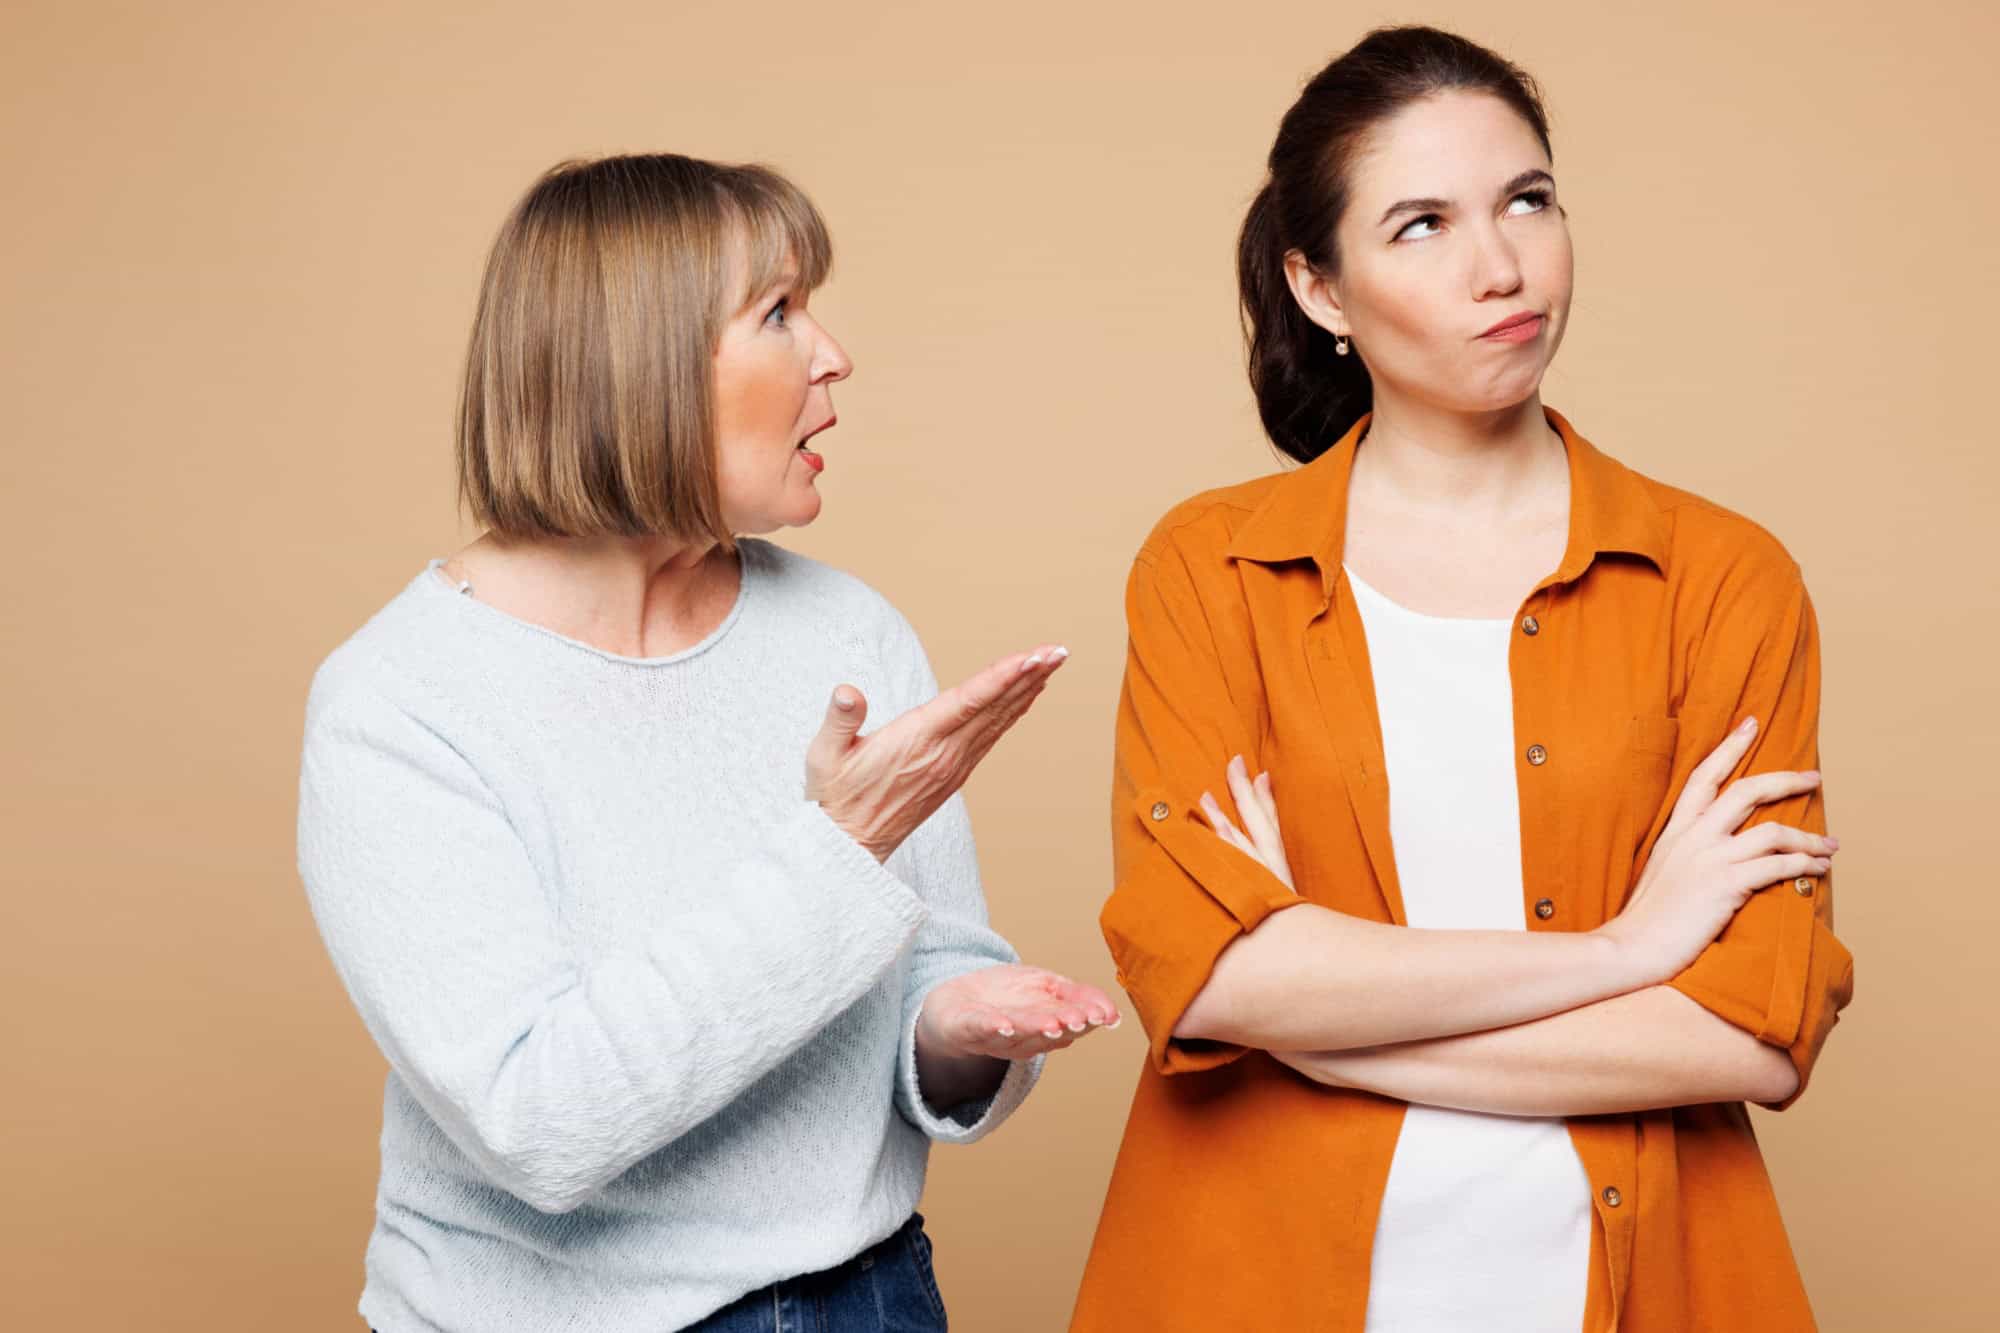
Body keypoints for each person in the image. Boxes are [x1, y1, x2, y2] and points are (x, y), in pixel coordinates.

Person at [1071, 25, 1853, 1332]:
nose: (1501, 266)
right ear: (1318, 287)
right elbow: (1206, 980)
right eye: (1421, 224)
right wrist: (1627, 950)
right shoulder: (1214, 569)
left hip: (1624, 1276)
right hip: (1255, 1279)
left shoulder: (1719, 579)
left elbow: (1752, 1033)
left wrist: (1316, 1024)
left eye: (1526, 201)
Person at [295, 152, 1118, 1333]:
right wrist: (840, 849)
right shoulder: (400, 702)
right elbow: (540, 1122)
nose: (832, 355)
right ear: (638, 363)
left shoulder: (845, 630)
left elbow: (926, 973)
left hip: (870, 1298)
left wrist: (957, 1030)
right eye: (778, 312)